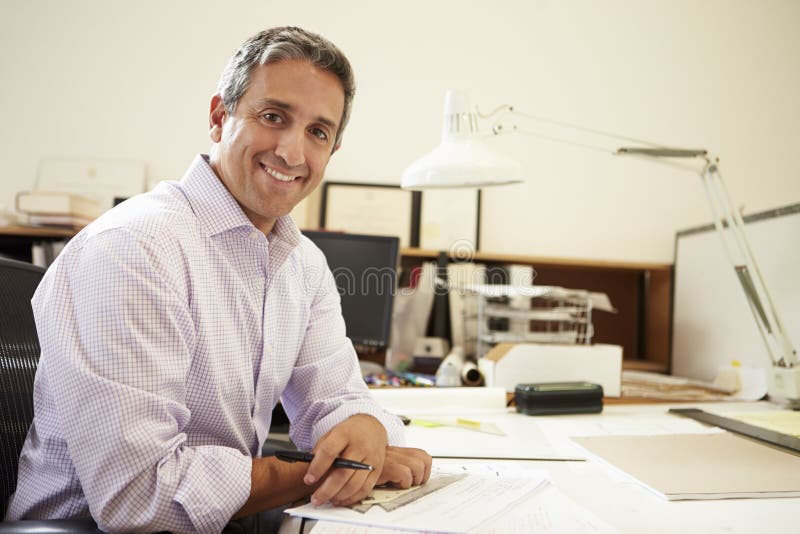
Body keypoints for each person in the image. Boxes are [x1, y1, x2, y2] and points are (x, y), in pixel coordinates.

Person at [7, 26, 431, 532]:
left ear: (332, 152)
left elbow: (336, 396)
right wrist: (320, 472)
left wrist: (363, 429)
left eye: (318, 132)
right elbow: (139, 496)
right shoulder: (132, 249)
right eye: (273, 117)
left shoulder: (303, 263)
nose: (294, 153)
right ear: (218, 117)